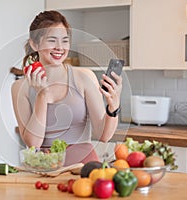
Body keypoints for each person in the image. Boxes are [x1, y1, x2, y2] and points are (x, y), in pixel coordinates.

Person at [11, 10, 122, 166]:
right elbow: (33, 144)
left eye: (65, 40)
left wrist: (113, 106)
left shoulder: (84, 77)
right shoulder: (20, 87)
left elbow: (103, 135)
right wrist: (42, 95)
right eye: (52, 40)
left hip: (83, 167)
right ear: (34, 44)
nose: (59, 47)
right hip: (43, 167)